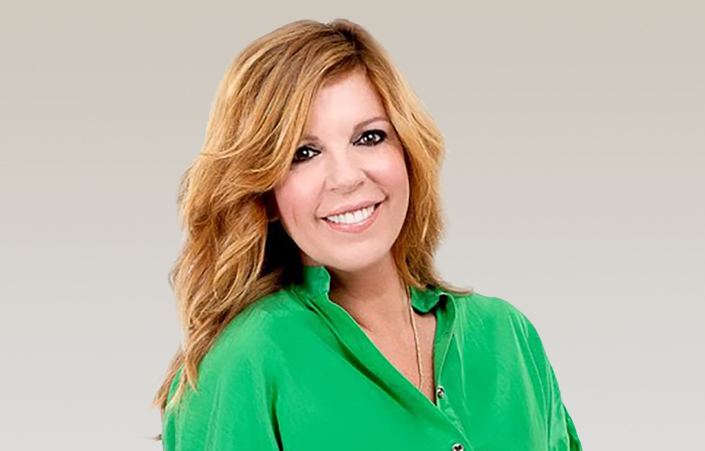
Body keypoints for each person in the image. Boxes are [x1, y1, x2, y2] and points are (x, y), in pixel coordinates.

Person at [151, 18, 582, 451]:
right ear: (265, 194)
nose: (346, 178)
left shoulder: (507, 337)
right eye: (304, 153)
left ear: (408, 152)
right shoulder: (244, 363)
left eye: (369, 137)